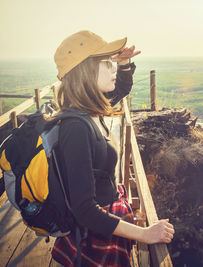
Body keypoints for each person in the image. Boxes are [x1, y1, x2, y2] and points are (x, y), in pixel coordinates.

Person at [51, 30, 174, 266]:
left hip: (105, 225)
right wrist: (145, 234)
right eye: (106, 63)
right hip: (93, 236)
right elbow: (84, 209)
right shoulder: (76, 127)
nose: (113, 68)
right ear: (85, 71)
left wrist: (125, 64)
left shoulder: (89, 109)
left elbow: (121, 90)